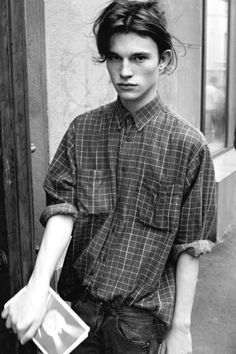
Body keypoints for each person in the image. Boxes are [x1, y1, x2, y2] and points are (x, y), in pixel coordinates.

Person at [2, 1, 216, 353]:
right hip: (76, 310)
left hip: (136, 322)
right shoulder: (83, 130)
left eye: (139, 58)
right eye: (115, 58)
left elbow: (189, 247)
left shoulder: (189, 145)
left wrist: (181, 329)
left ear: (162, 60)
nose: (125, 70)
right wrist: (38, 286)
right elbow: (62, 211)